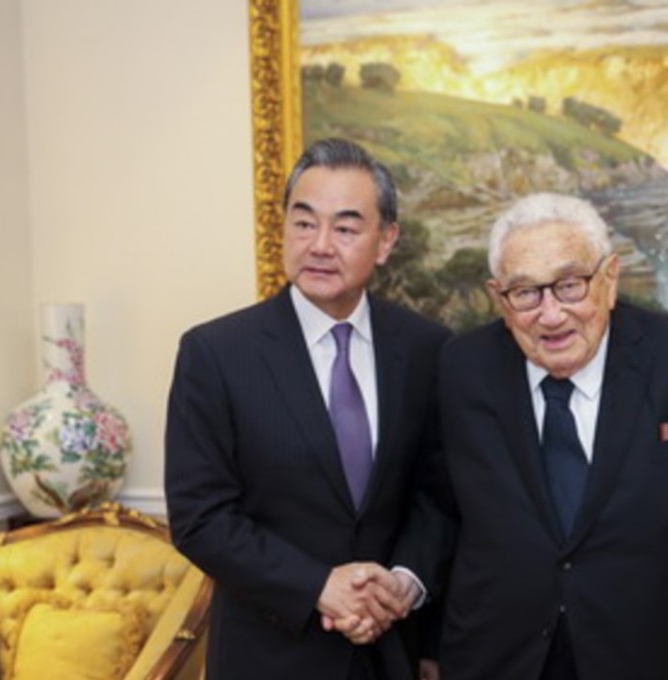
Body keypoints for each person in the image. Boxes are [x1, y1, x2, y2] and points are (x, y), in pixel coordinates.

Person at [434, 193, 668, 679]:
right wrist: (429, 646)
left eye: (570, 285)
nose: (551, 315)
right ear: (499, 298)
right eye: (526, 293)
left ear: (609, 278)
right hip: (502, 656)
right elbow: (442, 512)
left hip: (657, 656)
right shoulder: (462, 366)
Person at [165, 138, 452, 680]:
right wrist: (319, 586)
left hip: (389, 652)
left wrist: (403, 583)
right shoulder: (217, 353)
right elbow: (200, 516)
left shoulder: (426, 348)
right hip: (268, 655)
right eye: (303, 223)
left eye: (345, 229)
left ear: (386, 241)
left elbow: (438, 495)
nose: (320, 245)